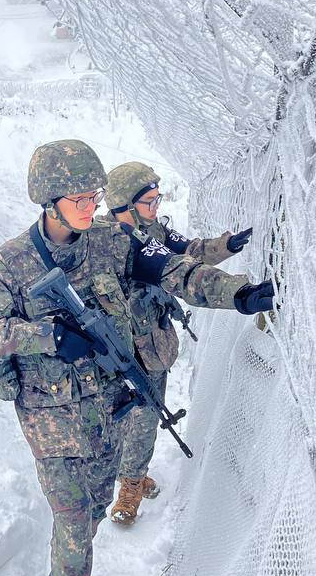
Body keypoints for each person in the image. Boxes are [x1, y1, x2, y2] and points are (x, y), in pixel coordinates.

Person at [0, 140, 275, 576]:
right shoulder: (8, 265)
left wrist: (238, 293)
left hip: (106, 408)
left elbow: (174, 271)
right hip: (51, 418)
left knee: (98, 502)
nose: (90, 206)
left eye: (95, 195)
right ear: (47, 201)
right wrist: (48, 336)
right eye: (79, 198)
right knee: (74, 517)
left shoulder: (112, 241)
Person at [97, 161, 255, 525]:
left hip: (150, 345)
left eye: (157, 201)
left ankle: (132, 479)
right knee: (120, 420)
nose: (156, 210)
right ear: (123, 205)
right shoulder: (100, 241)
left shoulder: (153, 232)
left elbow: (189, 256)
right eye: (149, 203)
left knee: (146, 415)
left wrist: (226, 246)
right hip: (111, 349)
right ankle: (127, 479)